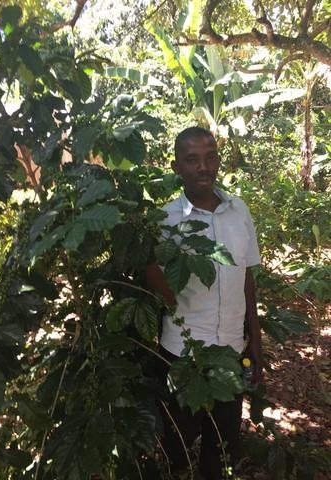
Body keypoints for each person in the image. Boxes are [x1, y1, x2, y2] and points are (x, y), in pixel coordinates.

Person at [145, 126, 263, 480]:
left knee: (221, 449)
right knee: (176, 447)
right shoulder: (166, 221)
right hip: (182, 354)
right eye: (192, 159)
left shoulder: (239, 211)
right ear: (176, 166)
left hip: (229, 351)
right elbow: (154, 277)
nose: (203, 167)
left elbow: (247, 279)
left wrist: (255, 343)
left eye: (210, 157)